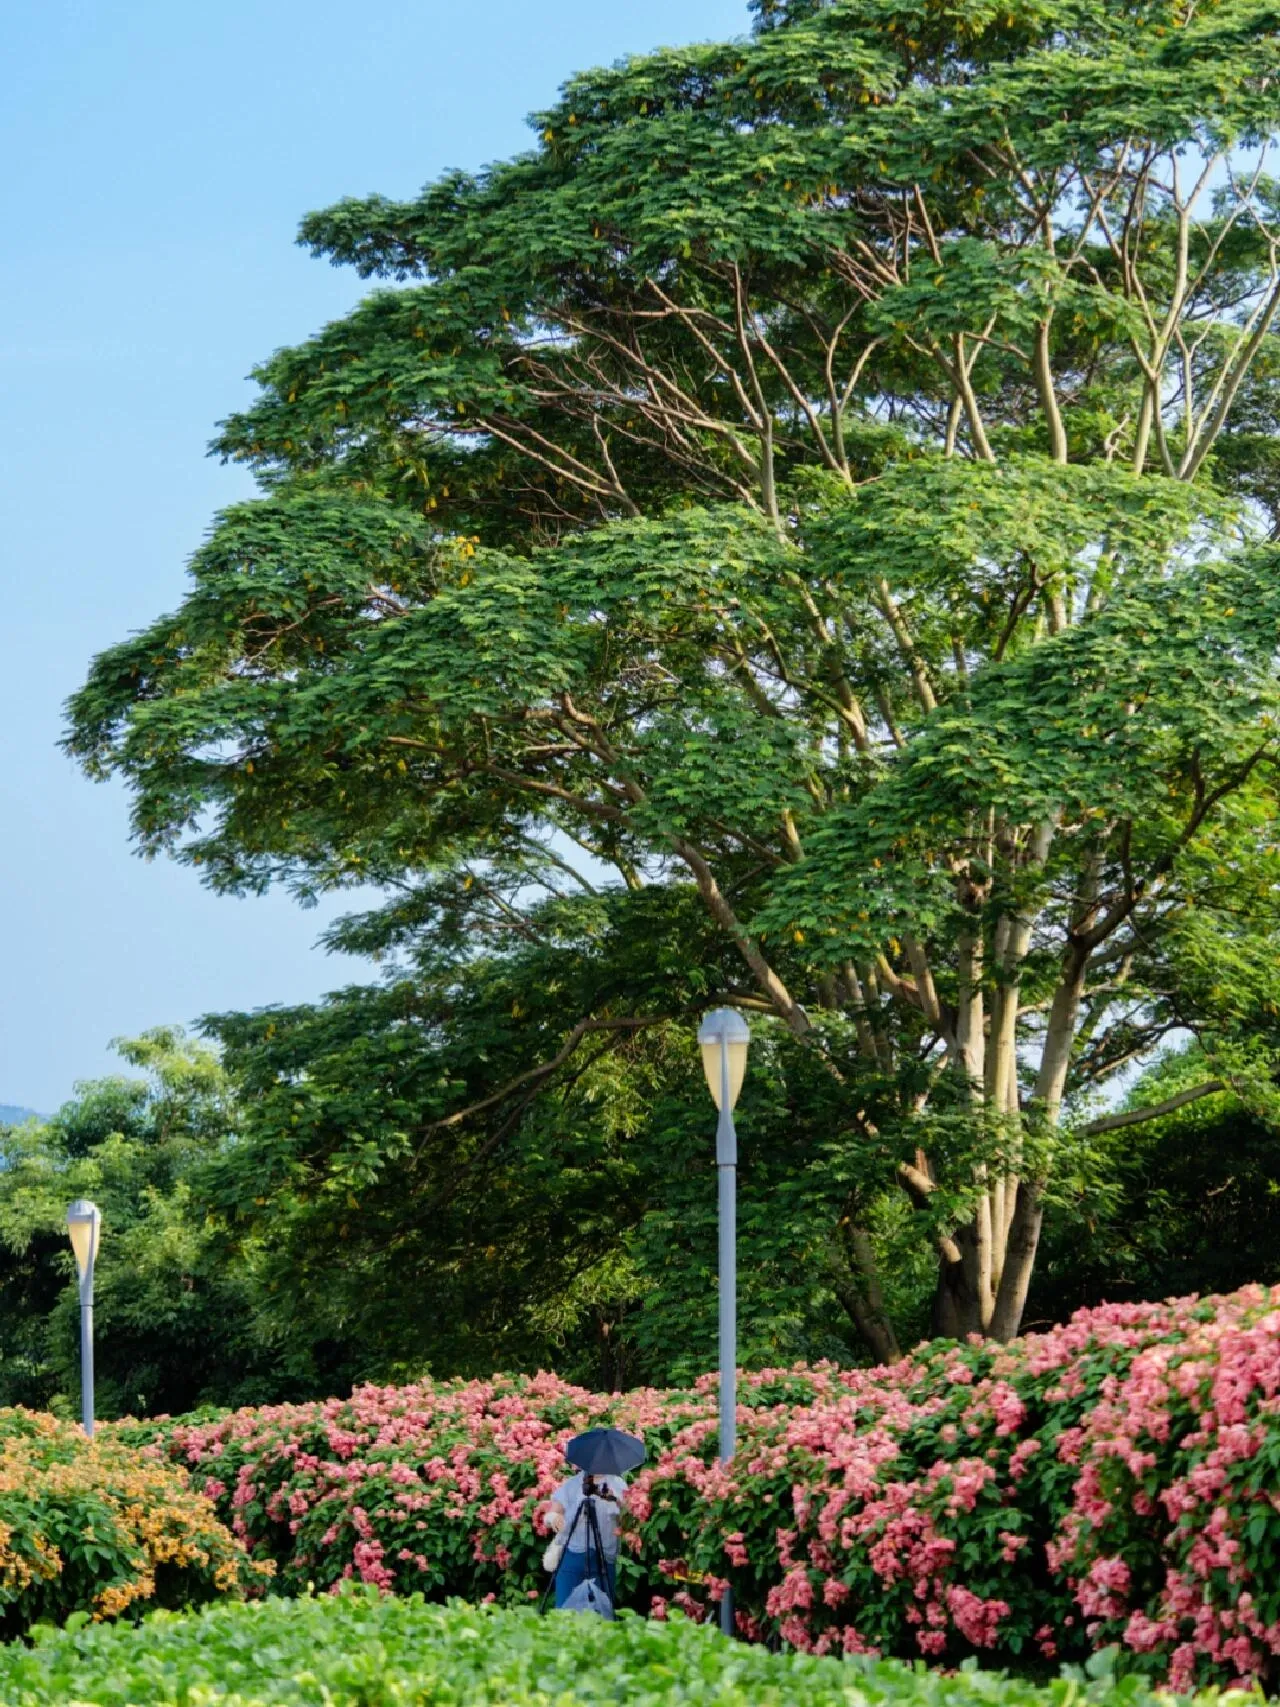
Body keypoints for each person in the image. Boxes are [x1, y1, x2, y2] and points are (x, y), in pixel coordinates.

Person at [544, 1467, 628, 1611]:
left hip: (604, 1557)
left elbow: (629, 1519)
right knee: (565, 1610)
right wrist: (554, 1518)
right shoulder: (572, 1484)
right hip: (572, 1554)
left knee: (602, 1611)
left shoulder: (618, 1484)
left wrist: (616, 1500)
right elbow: (550, 1515)